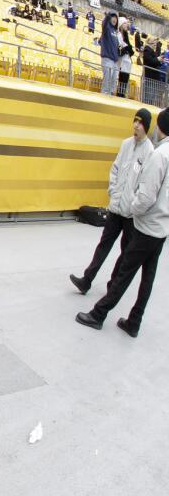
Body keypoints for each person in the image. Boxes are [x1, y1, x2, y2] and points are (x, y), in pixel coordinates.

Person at [76, 108, 169, 338]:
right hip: (161, 228)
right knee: (148, 276)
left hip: (145, 224)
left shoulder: (158, 154)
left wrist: (134, 209)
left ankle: (98, 314)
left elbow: (146, 196)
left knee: (124, 271)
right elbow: (117, 170)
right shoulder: (139, 147)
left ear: (158, 126)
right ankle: (134, 321)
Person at [71, 109, 153, 295]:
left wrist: (134, 204)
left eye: (140, 123)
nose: (135, 125)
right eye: (135, 121)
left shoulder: (149, 152)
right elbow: (115, 169)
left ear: (146, 127)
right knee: (103, 245)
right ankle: (87, 280)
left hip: (132, 215)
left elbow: (145, 183)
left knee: (125, 253)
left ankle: (112, 287)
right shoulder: (125, 144)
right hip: (116, 209)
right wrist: (113, 192)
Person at [99, 12, 120, 96]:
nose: (115, 19)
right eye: (113, 17)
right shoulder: (107, 28)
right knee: (107, 78)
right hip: (107, 59)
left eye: (116, 18)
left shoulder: (115, 31)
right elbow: (104, 24)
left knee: (114, 79)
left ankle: (110, 94)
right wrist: (108, 16)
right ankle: (104, 94)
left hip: (114, 60)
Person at [117, 18, 135, 98]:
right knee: (122, 79)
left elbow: (129, 48)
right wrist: (127, 48)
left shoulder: (125, 35)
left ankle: (122, 94)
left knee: (125, 79)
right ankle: (120, 94)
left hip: (126, 60)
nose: (126, 25)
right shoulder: (119, 35)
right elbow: (122, 48)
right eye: (124, 23)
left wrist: (128, 48)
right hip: (122, 61)